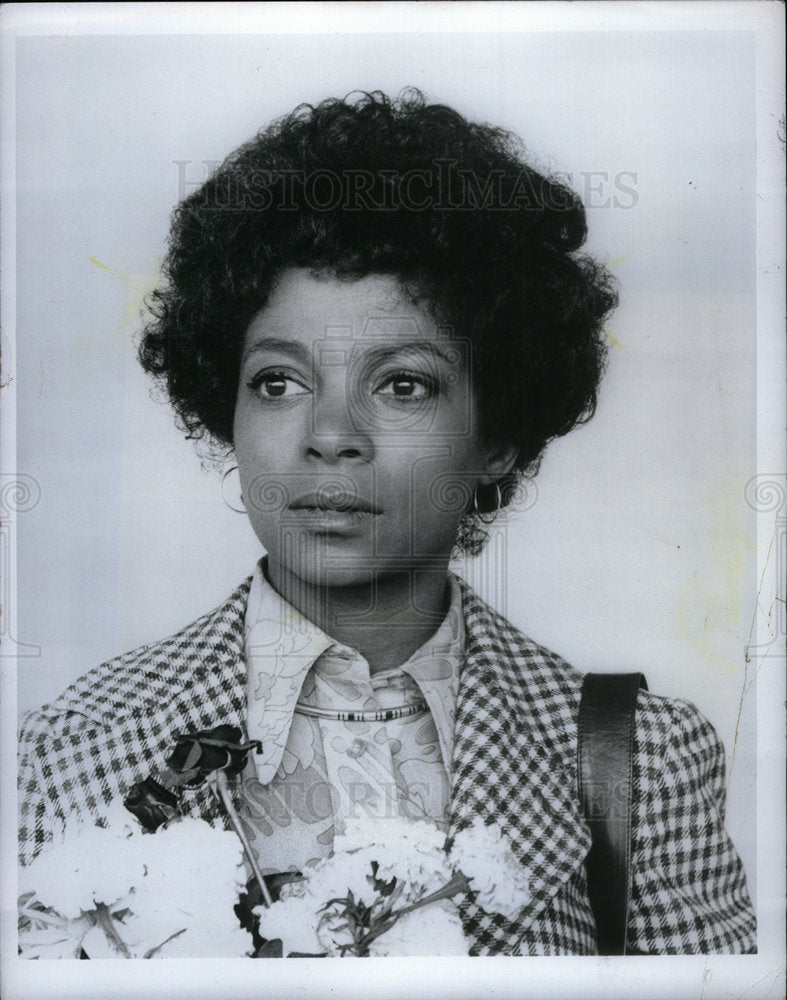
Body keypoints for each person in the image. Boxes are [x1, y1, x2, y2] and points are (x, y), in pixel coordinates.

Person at [17, 89, 756, 955]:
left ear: (499, 436)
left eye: (403, 384)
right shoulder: (66, 746)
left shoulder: (642, 761)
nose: (329, 437)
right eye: (278, 383)